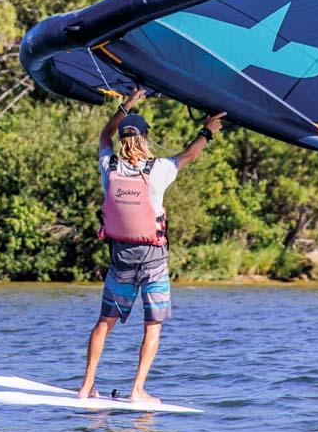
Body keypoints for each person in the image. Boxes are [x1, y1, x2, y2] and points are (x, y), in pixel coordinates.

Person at [79, 86, 225, 405]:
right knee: (153, 324)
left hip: (120, 260)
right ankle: (136, 391)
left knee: (105, 321)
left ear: (123, 140)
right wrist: (207, 131)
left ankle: (86, 386)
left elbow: (104, 135)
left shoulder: (109, 167)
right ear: (145, 140)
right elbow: (189, 155)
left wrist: (127, 103)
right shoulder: (157, 170)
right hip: (154, 262)